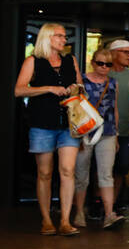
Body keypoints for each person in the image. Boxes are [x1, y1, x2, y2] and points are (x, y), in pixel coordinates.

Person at [15, 23, 82, 236]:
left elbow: (81, 87)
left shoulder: (71, 60)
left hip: (68, 124)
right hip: (41, 124)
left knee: (68, 171)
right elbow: (18, 90)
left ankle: (64, 220)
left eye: (64, 36)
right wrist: (49, 88)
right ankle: (46, 220)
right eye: (60, 36)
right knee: (44, 173)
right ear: (48, 37)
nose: (64, 40)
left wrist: (75, 88)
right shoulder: (33, 61)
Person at [72, 48, 123, 230]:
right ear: (93, 62)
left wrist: (116, 135)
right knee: (81, 174)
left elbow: (115, 109)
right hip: (85, 132)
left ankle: (109, 214)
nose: (104, 67)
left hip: (107, 131)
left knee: (106, 174)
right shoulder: (82, 81)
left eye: (108, 64)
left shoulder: (113, 83)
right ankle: (79, 212)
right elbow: (74, 109)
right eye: (100, 63)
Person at [107, 39, 129, 207]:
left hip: (126, 131)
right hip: (104, 132)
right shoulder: (104, 72)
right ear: (113, 54)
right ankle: (99, 204)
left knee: (122, 167)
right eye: (125, 52)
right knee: (103, 170)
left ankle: (112, 205)